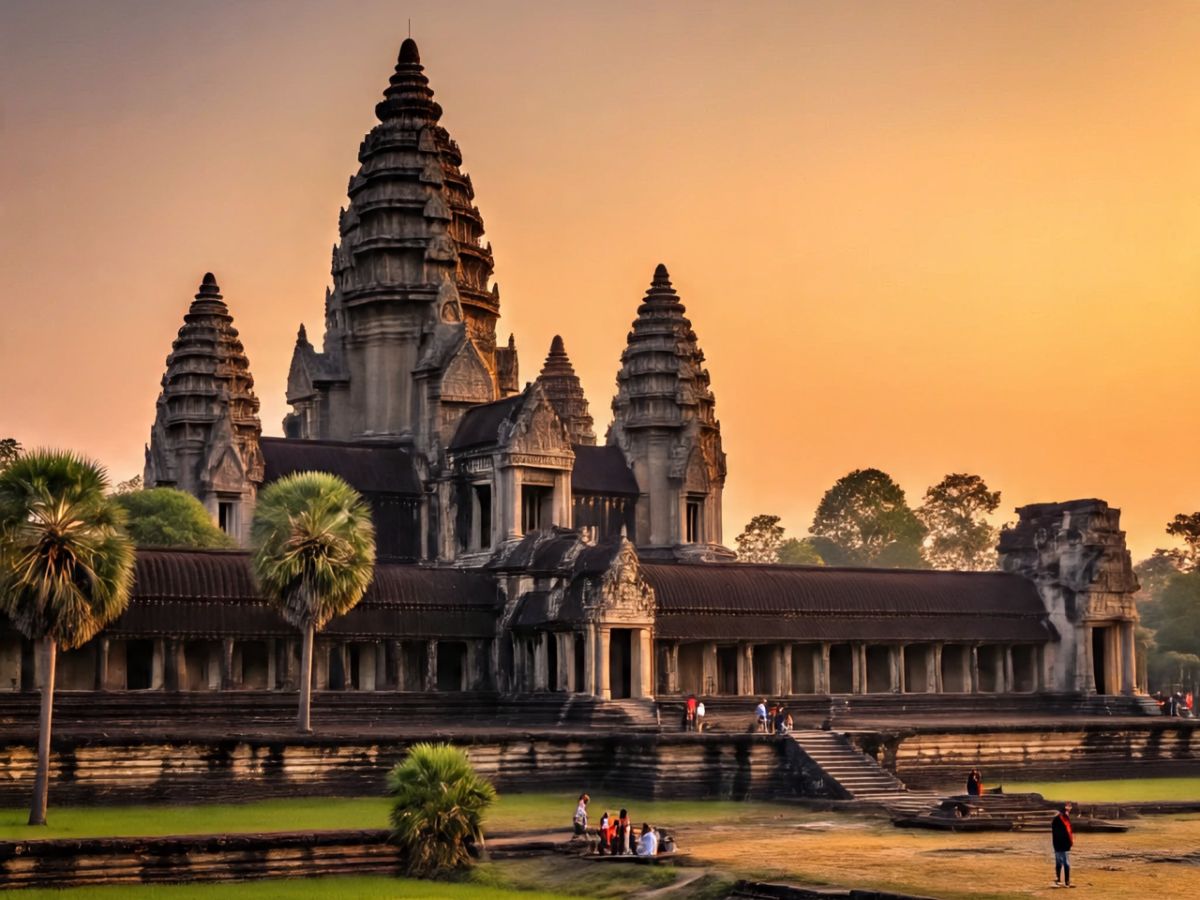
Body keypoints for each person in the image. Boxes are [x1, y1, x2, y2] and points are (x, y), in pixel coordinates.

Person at [1051, 801, 1075, 888]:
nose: (1069, 808)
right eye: (1068, 806)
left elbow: (1068, 831)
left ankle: (1064, 881)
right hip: (1060, 844)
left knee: (1063, 862)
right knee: (1062, 862)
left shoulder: (1065, 818)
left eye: (1070, 806)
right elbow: (1058, 833)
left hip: (1063, 844)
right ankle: (1061, 881)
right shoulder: (1059, 819)